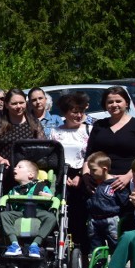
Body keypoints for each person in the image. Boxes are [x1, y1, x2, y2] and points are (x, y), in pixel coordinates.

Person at [48, 92, 91, 251]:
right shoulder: (55, 132)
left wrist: (80, 175)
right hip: (62, 176)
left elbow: (91, 156)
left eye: (81, 111)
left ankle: (82, 252)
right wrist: (61, 176)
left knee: (80, 217)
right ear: (65, 113)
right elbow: (52, 158)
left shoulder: (88, 130)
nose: (79, 115)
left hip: (82, 176)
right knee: (61, 213)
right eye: (74, 111)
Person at [83, 86, 135, 193]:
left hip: (127, 183)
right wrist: (86, 176)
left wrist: (128, 176)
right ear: (105, 105)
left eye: (118, 101)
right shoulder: (99, 125)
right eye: (110, 102)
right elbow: (89, 154)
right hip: (99, 182)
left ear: (127, 103)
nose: (114, 105)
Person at [1, 160, 54, 257]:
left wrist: (47, 196)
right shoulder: (15, 190)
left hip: (38, 211)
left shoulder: (41, 186)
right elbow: (7, 199)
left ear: (30, 174)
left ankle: (35, 244)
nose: (15, 168)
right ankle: (14, 244)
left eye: (19, 167)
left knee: (51, 217)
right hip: (21, 212)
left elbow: (51, 198)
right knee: (4, 215)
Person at [84, 152, 131, 251]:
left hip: (111, 220)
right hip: (94, 220)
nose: (90, 173)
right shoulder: (91, 184)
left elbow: (125, 202)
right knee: (96, 249)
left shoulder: (115, 184)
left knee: (115, 246)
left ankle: (116, 265)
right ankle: (98, 265)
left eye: (93, 170)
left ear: (104, 169)